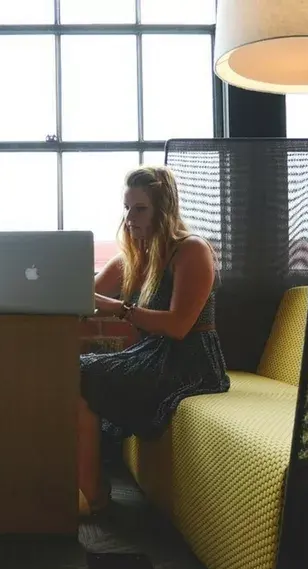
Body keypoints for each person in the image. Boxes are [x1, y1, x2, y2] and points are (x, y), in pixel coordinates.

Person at [78, 165, 229, 514]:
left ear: (164, 209)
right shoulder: (133, 256)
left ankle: (93, 494)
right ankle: (90, 488)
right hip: (150, 354)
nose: (129, 218)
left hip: (191, 360)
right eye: (127, 208)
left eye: (139, 208)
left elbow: (178, 326)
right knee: (72, 372)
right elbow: (84, 297)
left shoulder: (191, 250)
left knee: (82, 374)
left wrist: (119, 308)